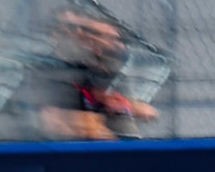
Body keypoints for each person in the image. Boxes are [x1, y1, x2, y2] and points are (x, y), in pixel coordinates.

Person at [36, 9, 158, 140]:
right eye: (72, 28)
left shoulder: (92, 73)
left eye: (82, 29)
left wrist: (130, 105)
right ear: (55, 34)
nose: (79, 34)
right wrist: (98, 128)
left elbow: (108, 100)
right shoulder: (48, 72)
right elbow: (51, 120)